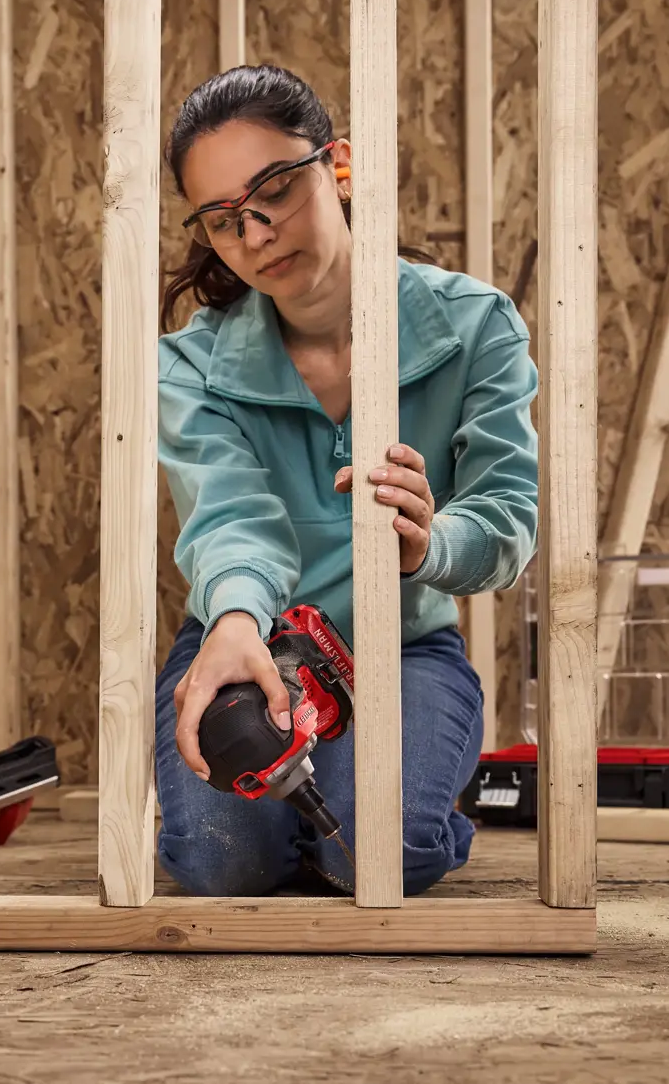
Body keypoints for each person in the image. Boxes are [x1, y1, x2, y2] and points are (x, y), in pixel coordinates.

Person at [154, 64, 540, 898]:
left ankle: (401, 797)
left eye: (275, 191)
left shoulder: (476, 326)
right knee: (225, 864)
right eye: (224, 220)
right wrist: (232, 620)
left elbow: (509, 518)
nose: (256, 233)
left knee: (383, 856)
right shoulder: (190, 364)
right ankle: (320, 799)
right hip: (246, 637)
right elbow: (233, 519)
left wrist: (433, 541)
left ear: (339, 165)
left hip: (401, 648)